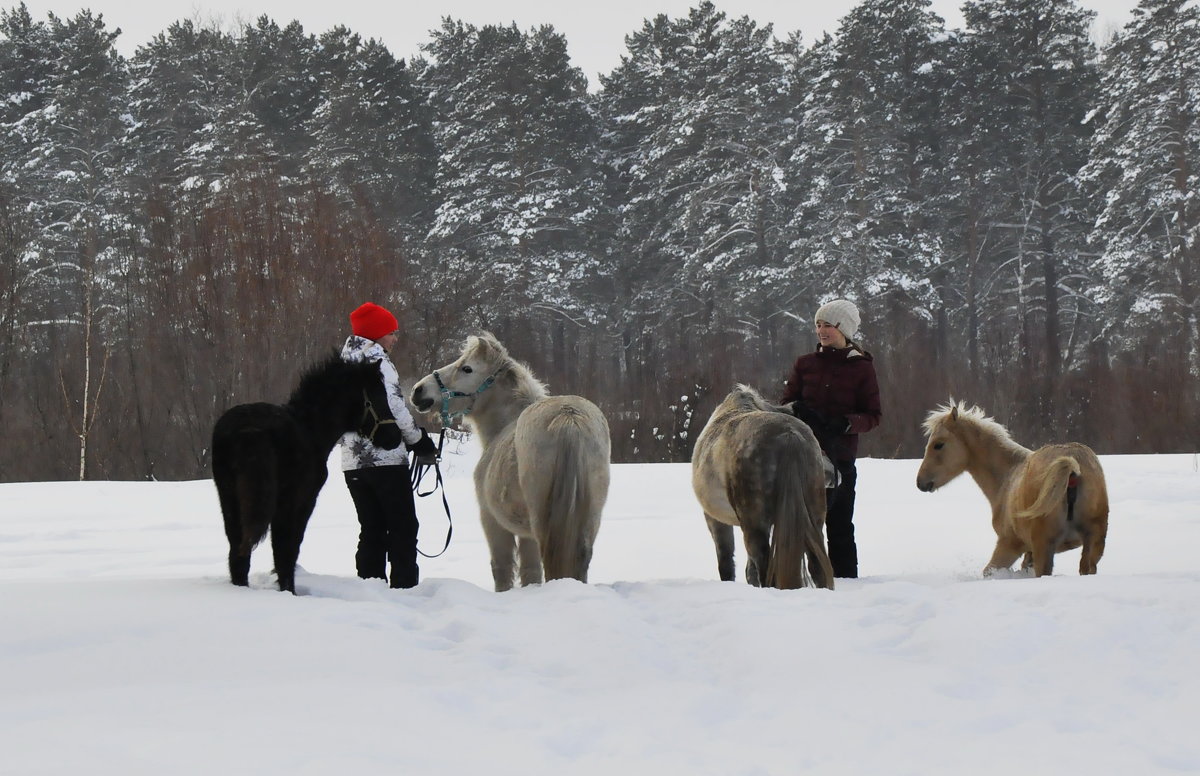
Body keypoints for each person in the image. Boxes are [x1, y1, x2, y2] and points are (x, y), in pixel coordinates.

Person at [780, 299, 881, 579]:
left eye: (828, 325)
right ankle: (793, 583)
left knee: (839, 527)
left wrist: (845, 423)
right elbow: (785, 403)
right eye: (818, 325)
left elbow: (873, 415)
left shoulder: (862, 368)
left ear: (844, 329)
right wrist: (796, 410)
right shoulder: (805, 364)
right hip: (802, 457)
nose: (822, 331)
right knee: (799, 524)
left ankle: (846, 585)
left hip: (840, 459)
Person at [340, 301, 438, 588]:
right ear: (376, 334)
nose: (396, 338)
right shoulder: (379, 362)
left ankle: (371, 590)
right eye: (392, 332)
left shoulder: (342, 363)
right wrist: (418, 440)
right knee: (402, 527)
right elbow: (394, 406)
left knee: (370, 529)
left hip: (352, 463)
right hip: (386, 460)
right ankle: (404, 590)